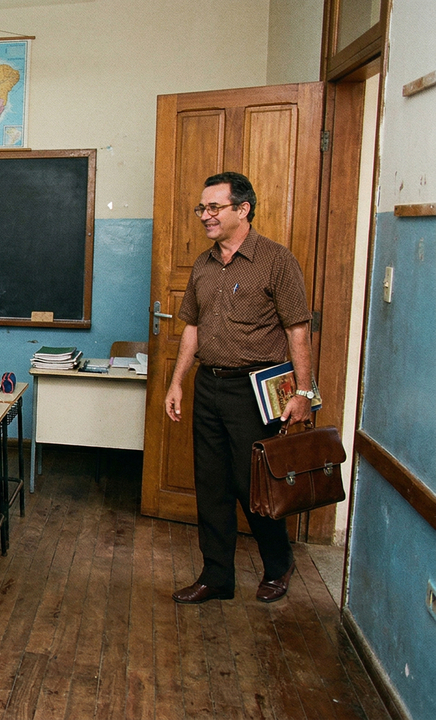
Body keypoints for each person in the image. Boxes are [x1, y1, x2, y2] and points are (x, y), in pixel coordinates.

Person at [164, 171, 314, 605]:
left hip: (257, 390)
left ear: (242, 209)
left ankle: (278, 564)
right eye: (202, 208)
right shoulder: (203, 264)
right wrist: (178, 383)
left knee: (255, 487)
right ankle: (217, 577)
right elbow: (191, 328)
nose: (205, 216)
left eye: (214, 208)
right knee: (210, 486)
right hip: (209, 387)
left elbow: (298, 331)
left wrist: (303, 393)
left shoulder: (276, 260)